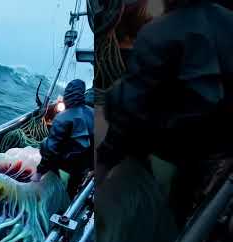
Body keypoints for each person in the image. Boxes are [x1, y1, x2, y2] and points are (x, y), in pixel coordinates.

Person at [96, 0, 233, 218]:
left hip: (185, 156)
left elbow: (129, 111)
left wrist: (104, 162)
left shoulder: (158, 33)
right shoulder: (228, 19)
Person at [31, 79, 94, 196]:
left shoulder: (63, 117)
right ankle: (72, 194)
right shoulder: (94, 113)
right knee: (75, 180)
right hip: (87, 164)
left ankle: (53, 177)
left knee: (46, 144)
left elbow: (50, 148)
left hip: (69, 162)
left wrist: (39, 171)